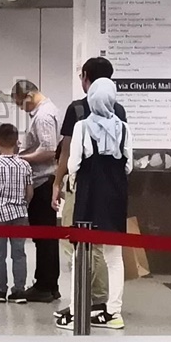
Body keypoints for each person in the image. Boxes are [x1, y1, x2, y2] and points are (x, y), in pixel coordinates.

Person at [58, 78, 131, 329]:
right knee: (114, 256)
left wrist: (75, 181)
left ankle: (77, 310)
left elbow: (73, 163)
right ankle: (114, 312)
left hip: (89, 193)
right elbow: (129, 164)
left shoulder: (82, 126)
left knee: (81, 255)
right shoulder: (124, 127)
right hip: (116, 196)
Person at [51, 57, 113, 321]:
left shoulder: (77, 109)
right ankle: (96, 301)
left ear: (86, 76)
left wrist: (57, 182)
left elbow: (66, 151)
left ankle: (84, 302)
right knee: (97, 245)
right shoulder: (117, 109)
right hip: (108, 186)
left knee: (77, 245)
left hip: (81, 184)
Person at [10, 79, 61, 302]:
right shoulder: (50, 111)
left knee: (43, 237)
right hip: (45, 180)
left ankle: (44, 286)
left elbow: (48, 151)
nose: (22, 109)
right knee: (47, 236)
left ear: (29, 96)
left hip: (42, 181)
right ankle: (50, 284)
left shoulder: (42, 116)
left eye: (22, 104)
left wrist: (21, 158)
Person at [0, 122, 30, 302]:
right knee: (19, 253)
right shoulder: (24, 165)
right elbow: (29, 191)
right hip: (20, 214)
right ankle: (19, 291)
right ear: (17, 141)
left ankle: (0, 290)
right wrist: (24, 204)